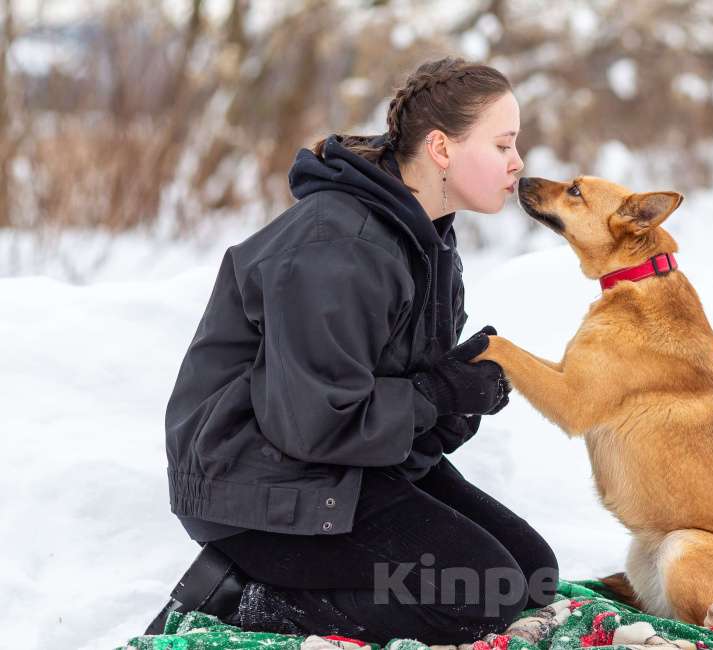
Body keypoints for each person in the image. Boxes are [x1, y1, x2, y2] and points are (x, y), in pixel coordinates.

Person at [144, 56, 560, 644]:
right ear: (441, 148)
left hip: (341, 466)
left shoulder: (427, 238)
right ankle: (242, 601)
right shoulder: (338, 244)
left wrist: (456, 393)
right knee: (480, 594)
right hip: (257, 483)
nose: (518, 162)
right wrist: (437, 392)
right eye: (502, 144)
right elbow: (314, 422)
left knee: (532, 575)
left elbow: (394, 397)